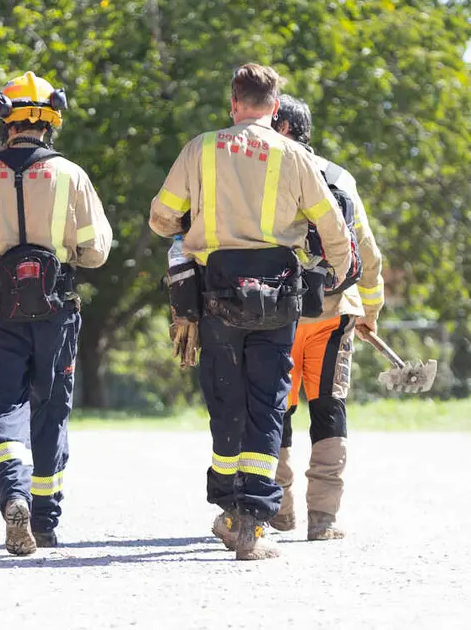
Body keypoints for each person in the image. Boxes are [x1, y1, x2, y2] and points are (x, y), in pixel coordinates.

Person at [149, 64, 354, 560]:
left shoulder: (201, 148)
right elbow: (333, 228)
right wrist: (337, 275)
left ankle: (225, 505)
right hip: (279, 294)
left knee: (226, 397)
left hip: (217, 293)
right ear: (275, 105)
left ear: (234, 102)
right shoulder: (294, 154)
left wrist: (188, 226)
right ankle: (252, 522)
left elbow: (160, 217)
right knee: (268, 401)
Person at [0, 71, 113, 556]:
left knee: (5, 411)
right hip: (55, 314)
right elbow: (96, 252)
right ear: (52, 119)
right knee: (51, 411)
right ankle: (46, 522)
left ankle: (14, 496)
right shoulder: (72, 174)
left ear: (3, 118)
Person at [269, 94, 384, 540]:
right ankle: (323, 519)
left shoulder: (268, 175)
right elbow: (368, 254)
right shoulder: (339, 178)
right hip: (335, 313)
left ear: (279, 129)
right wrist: (369, 310)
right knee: (328, 409)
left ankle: (280, 510)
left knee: (275, 407)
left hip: (278, 312)